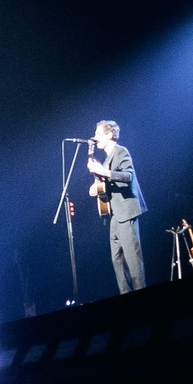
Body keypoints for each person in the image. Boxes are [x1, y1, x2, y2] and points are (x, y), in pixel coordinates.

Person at [86, 119, 147, 295]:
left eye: (98, 134)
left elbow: (128, 176)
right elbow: (105, 185)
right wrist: (96, 188)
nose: (95, 137)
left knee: (133, 261)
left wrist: (103, 172)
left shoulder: (121, 152)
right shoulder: (106, 160)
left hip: (126, 212)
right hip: (115, 214)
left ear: (110, 134)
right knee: (117, 261)